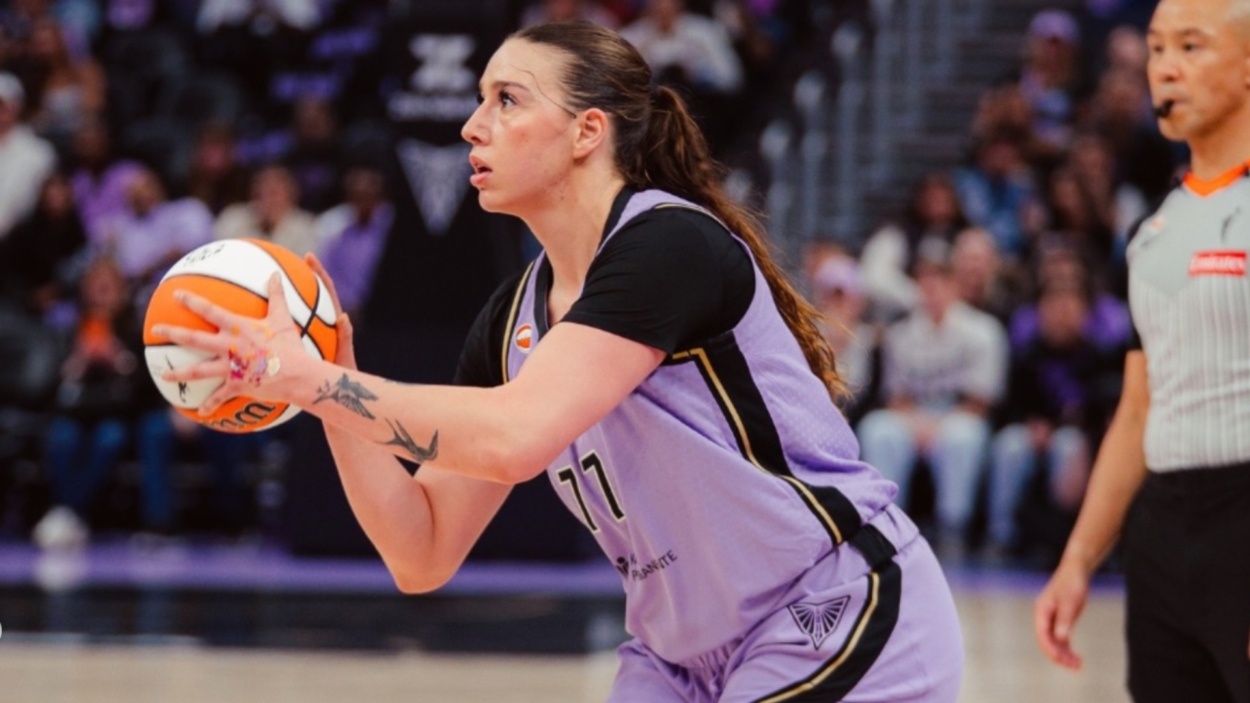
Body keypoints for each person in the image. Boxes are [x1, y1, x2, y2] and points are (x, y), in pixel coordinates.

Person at [155, 21, 964, 702]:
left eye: (507, 100)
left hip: (831, 607)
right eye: (479, 100)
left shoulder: (667, 246)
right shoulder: (512, 320)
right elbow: (421, 550)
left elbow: (517, 437)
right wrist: (331, 373)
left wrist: (315, 377)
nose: (473, 125)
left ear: (589, 131)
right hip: (677, 658)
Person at [1034, 1, 1250, 701]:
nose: (1166, 68)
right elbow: (1135, 412)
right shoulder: (1152, 232)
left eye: (1191, 46)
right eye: (1157, 49)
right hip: (1162, 536)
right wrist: (1077, 560)